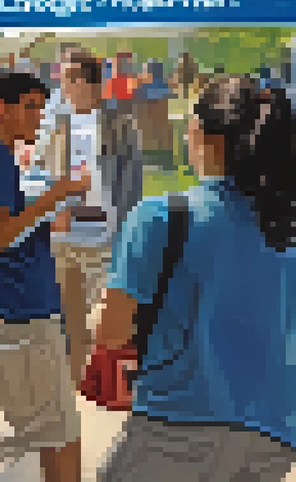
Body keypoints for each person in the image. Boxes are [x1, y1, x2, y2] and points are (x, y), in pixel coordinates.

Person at [93, 76, 295, 482]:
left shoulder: (160, 217)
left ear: (204, 136)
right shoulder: (285, 228)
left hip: (176, 425)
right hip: (273, 434)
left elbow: (110, 332)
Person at [0, 71, 87, 482]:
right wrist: (54, 198)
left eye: (40, 106)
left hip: (25, 316)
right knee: (59, 436)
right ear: (5, 108)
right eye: (31, 106)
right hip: (26, 320)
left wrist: (42, 217)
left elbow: (6, 229)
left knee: (52, 433)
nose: (38, 116)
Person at [33, 48, 144, 384]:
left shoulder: (120, 125)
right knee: (70, 325)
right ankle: (75, 391)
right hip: (63, 241)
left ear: (88, 83)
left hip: (104, 241)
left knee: (107, 327)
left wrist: (121, 231)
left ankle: (111, 387)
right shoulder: (54, 127)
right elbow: (41, 177)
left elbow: (132, 184)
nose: (62, 86)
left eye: (66, 78)